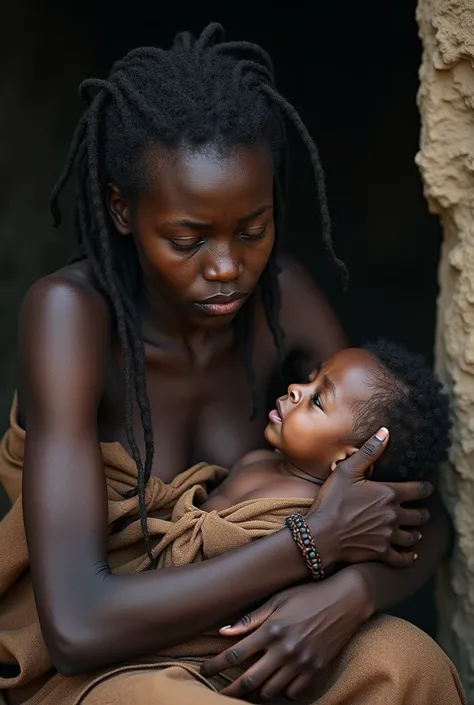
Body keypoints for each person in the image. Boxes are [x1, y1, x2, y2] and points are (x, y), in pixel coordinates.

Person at [0, 23, 465, 705]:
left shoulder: (283, 299)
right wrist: (311, 544)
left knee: (408, 662)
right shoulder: (73, 316)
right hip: (104, 667)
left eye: (253, 229)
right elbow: (75, 623)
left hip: (248, 640)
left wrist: (348, 594)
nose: (227, 268)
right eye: (188, 238)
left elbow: (422, 518)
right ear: (122, 210)